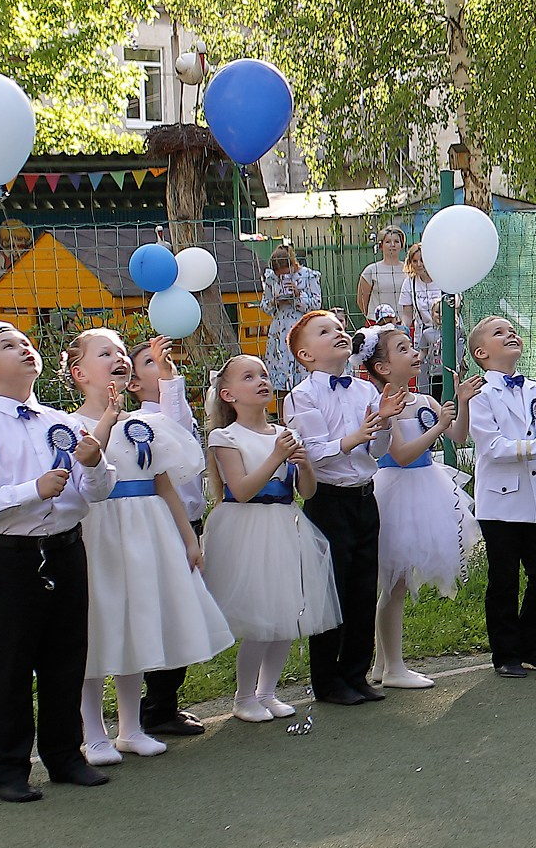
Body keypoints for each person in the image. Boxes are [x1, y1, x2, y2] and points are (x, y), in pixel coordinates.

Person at [0, 320, 115, 801]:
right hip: (12, 559)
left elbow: (98, 492)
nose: (23, 348)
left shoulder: (64, 424)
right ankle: (6, 768)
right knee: (9, 664)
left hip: (66, 550)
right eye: (7, 345)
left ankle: (65, 756)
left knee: (67, 658)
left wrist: (94, 463)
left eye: (25, 342)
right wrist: (31, 490)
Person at [62, 330, 232, 763]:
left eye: (122, 352)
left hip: (148, 532)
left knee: (137, 620)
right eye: (106, 354)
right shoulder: (68, 427)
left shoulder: (146, 425)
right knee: (99, 625)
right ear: (79, 372)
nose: (118, 358)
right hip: (100, 533)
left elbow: (164, 485)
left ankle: (131, 727)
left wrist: (189, 538)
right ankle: (94, 732)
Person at [201, 354, 341, 722]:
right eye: (249, 377)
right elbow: (242, 489)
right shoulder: (225, 437)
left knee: (285, 615)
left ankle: (268, 691)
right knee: (259, 618)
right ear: (229, 394)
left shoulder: (283, 433)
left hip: (283, 524)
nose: (261, 381)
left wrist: (305, 466)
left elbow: (306, 493)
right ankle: (244, 696)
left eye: (263, 375)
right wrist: (276, 456)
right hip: (246, 529)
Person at [283, 309, 395, 707]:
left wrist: (381, 426)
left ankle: (356, 673)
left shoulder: (366, 391)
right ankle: (327, 680)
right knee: (332, 590)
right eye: (324, 331)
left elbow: (379, 451)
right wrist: (354, 436)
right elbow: (314, 454)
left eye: (341, 329)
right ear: (305, 355)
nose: (339, 333)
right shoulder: (302, 396)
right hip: (328, 502)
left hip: (365, 497)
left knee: (364, 587)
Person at [364, 324, 481, 687]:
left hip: (427, 487)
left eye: (412, 347)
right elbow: (399, 454)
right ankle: (393, 666)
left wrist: (461, 404)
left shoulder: (424, 401)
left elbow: (459, 436)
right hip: (397, 491)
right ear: (383, 367)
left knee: (399, 581)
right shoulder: (384, 406)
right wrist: (437, 428)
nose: (415, 353)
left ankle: (383, 665)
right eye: (403, 349)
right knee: (395, 582)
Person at [467, 316, 536, 678]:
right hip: (501, 501)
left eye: (512, 329)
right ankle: (505, 653)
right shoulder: (480, 393)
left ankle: (532, 645)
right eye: (499, 332)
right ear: (481, 352)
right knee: (504, 580)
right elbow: (492, 447)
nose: (510, 333)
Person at [131, 335, 210, 740]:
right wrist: (169, 379)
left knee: (180, 614)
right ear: (132, 382)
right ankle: (155, 706)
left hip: (189, 524)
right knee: (163, 614)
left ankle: (164, 701)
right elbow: (173, 410)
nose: (162, 362)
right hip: (163, 528)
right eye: (149, 361)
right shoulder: (147, 421)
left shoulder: (173, 412)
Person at [259, 244, 322, 394]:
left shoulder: (309, 276)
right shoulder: (271, 279)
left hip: (302, 331)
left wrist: (298, 295)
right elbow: (264, 306)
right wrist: (275, 301)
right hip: (280, 333)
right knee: (281, 385)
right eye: (279, 275)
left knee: (305, 380)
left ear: (293, 265)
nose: (282, 277)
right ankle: (283, 417)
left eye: (286, 273)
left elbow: (316, 305)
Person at [399, 243, 446, 398]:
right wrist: (404, 328)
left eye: (422, 260)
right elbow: (407, 313)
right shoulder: (410, 282)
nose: (419, 264)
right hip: (422, 335)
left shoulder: (443, 279)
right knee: (424, 374)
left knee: (444, 372)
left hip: (443, 334)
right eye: (415, 261)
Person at [357, 223, 409, 326]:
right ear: (381, 245)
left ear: (401, 245)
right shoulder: (371, 270)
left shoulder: (408, 270)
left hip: (402, 323)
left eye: (396, 242)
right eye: (388, 242)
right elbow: (361, 301)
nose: (392, 245)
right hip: (377, 323)